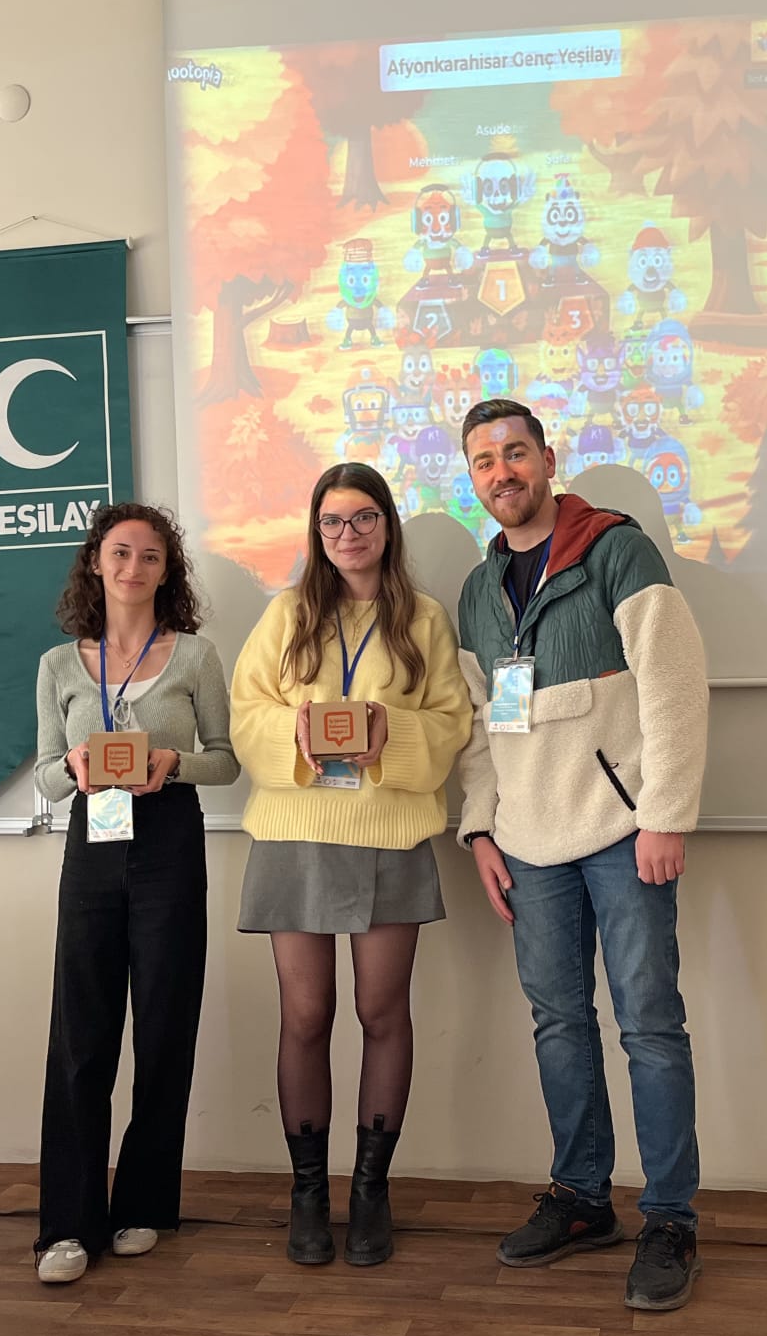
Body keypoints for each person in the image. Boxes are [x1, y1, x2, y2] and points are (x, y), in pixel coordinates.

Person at [453, 398, 710, 1311]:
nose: (502, 472)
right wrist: (480, 829)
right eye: (484, 461)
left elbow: (674, 687)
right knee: (558, 1024)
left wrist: (665, 815)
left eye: (515, 453)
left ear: (547, 459)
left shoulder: (617, 551)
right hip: (528, 843)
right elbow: (480, 725)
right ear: (473, 478)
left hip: (621, 832)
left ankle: (669, 1219)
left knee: (649, 1025)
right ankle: (581, 1198)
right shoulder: (478, 590)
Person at [230, 461, 471, 1267]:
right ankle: (307, 1194)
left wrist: (388, 735)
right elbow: (246, 715)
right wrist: (296, 733)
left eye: (363, 517)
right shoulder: (286, 613)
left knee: (381, 1014)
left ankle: (371, 1191)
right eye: (331, 521)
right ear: (316, 532)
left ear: (386, 525)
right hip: (295, 834)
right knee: (304, 1017)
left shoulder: (424, 619)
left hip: (389, 835)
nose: (348, 534)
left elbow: (452, 723)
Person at [32, 502, 240, 1284]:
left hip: (168, 839)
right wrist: (75, 768)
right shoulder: (59, 665)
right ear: (96, 562)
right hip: (92, 838)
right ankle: (68, 1224)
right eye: (120, 553)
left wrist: (171, 764)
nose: (133, 567)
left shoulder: (195, 656)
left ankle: (144, 1204)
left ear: (166, 571)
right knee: (80, 1033)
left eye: (150, 556)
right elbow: (46, 775)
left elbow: (227, 759)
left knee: (162, 1027)